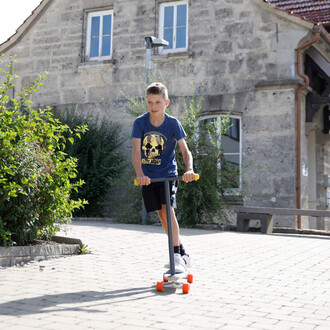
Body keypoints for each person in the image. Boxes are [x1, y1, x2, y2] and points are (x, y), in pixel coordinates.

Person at [131, 82, 196, 273]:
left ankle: (175, 254)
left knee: (169, 211)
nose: (153, 106)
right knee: (161, 215)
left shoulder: (173, 123)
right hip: (149, 178)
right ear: (146, 102)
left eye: (158, 102)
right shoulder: (140, 123)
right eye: (150, 102)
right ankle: (183, 254)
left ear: (166, 102)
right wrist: (140, 174)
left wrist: (189, 169)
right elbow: (136, 151)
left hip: (168, 174)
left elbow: (185, 151)